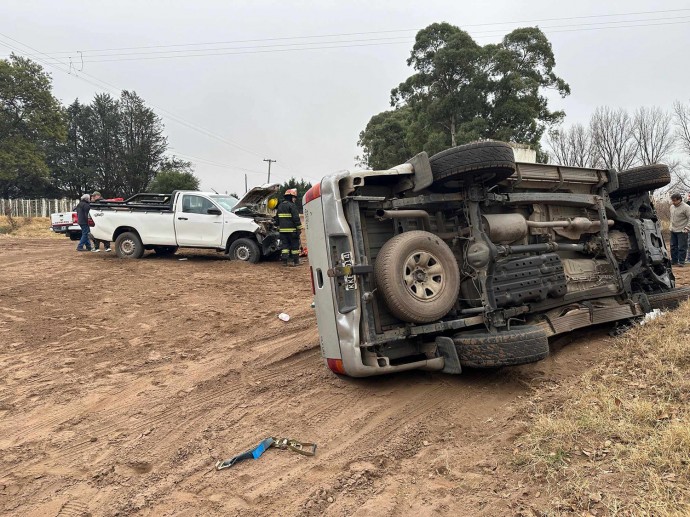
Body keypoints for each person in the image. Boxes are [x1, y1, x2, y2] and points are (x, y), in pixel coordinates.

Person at [275, 188, 303, 266]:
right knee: (295, 246)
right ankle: (296, 262)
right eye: (294, 197)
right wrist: (299, 228)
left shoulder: (280, 206)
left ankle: (284, 262)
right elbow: (296, 218)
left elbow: (277, 219)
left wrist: (277, 226)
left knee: (285, 246)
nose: (295, 199)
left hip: (283, 231)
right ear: (291, 197)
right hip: (292, 231)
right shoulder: (292, 205)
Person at [669, 193, 690, 267]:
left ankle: (681, 261)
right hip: (673, 230)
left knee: (682, 247)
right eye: (672, 200)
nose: (673, 202)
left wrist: (687, 228)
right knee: (673, 246)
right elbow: (671, 218)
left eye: (674, 201)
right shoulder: (672, 207)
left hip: (682, 230)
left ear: (679, 200)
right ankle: (674, 260)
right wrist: (670, 227)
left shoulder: (686, 207)